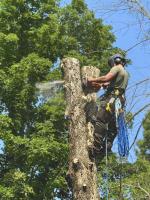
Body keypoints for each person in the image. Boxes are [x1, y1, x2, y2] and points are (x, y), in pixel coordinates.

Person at [87, 54, 129, 158]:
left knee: (100, 120)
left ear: (115, 61)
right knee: (112, 127)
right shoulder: (125, 72)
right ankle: (107, 147)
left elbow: (106, 78)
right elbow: (109, 83)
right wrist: (103, 85)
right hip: (120, 102)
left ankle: (95, 148)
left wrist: (91, 80)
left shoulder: (116, 68)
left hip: (111, 100)